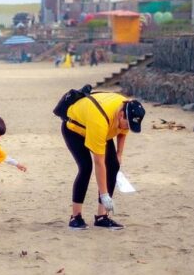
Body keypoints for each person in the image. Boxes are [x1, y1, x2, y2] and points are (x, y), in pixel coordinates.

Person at [61, 93, 146, 230]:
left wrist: (119, 154)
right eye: (127, 124)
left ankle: (102, 217)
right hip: (74, 130)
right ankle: (75, 217)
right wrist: (105, 195)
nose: (127, 127)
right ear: (121, 115)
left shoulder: (128, 108)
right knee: (86, 167)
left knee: (113, 166)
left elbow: (123, 131)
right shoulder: (100, 121)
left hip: (103, 128)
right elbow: (99, 163)